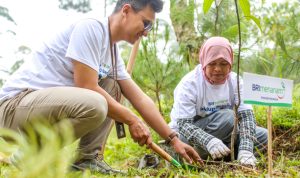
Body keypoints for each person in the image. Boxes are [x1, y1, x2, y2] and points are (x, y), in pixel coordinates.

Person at [0, 0, 202, 174]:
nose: (146, 33)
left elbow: (140, 98)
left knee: (113, 86)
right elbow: (86, 86)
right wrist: (132, 120)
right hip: (13, 107)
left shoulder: (112, 54)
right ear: (126, 11)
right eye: (146, 23)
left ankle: (87, 159)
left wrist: (173, 139)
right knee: (96, 102)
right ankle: (31, 152)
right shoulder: (91, 28)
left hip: (41, 109)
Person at [169, 36, 268, 167]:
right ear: (204, 62)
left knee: (263, 136)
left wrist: (246, 148)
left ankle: (231, 156)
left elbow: (246, 116)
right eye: (212, 63)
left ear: (230, 63)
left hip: (223, 134)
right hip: (185, 138)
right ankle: (188, 157)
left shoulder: (235, 82)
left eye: (223, 63)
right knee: (228, 118)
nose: (218, 69)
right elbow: (183, 124)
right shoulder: (190, 84)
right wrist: (208, 141)